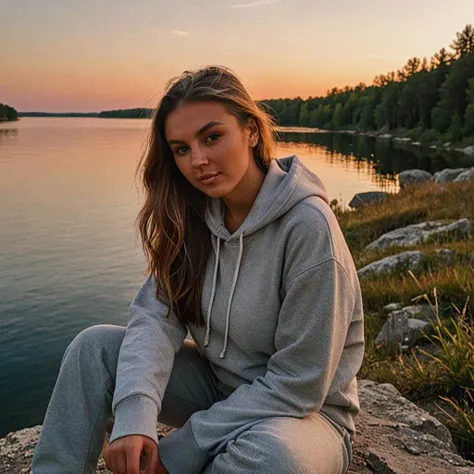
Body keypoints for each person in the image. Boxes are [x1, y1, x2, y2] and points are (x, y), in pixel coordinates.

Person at [32, 65, 365, 474]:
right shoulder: (193, 215)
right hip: (215, 387)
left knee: (272, 458)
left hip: (303, 418)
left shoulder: (308, 227)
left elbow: (299, 385)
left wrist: (179, 452)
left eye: (212, 137)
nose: (199, 161)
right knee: (93, 348)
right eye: (182, 149)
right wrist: (134, 418)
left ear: (251, 131)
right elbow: (155, 319)